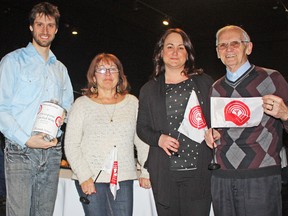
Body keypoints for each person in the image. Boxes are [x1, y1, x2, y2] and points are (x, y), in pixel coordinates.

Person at [204, 25, 288, 216]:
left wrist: (285, 114)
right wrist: (211, 134)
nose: (228, 49)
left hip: (261, 176)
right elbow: (215, 128)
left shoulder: (271, 78)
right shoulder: (215, 88)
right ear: (217, 52)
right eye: (222, 46)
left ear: (248, 48)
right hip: (222, 176)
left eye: (235, 43)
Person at [0, 2, 74, 216]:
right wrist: (26, 139)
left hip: (51, 152)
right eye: (40, 24)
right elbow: (2, 108)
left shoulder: (60, 69)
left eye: (50, 25)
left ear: (56, 30)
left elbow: (68, 107)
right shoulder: (12, 62)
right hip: (20, 150)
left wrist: (61, 119)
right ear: (31, 27)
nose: (45, 30)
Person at [136, 28, 214, 216]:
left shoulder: (204, 83)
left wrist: (215, 131)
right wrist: (158, 139)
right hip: (165, 174)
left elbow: (216, 120)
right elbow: (141, 128)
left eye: (181, 47)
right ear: (160, 53)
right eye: (169, 46)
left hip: (199, 173)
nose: (175, 52)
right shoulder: (149, 89)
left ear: (187, 54)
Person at [64, 53, 150, 216]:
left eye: (113, 69)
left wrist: (146, 170)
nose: (108, 74)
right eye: (101, 69)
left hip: (123, 178)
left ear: (120, 75)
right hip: (91, 179)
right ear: (93, 77)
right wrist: (84, 176)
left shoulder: (132, 103)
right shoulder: (81, 105)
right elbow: (71, 145)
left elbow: (142, 139)